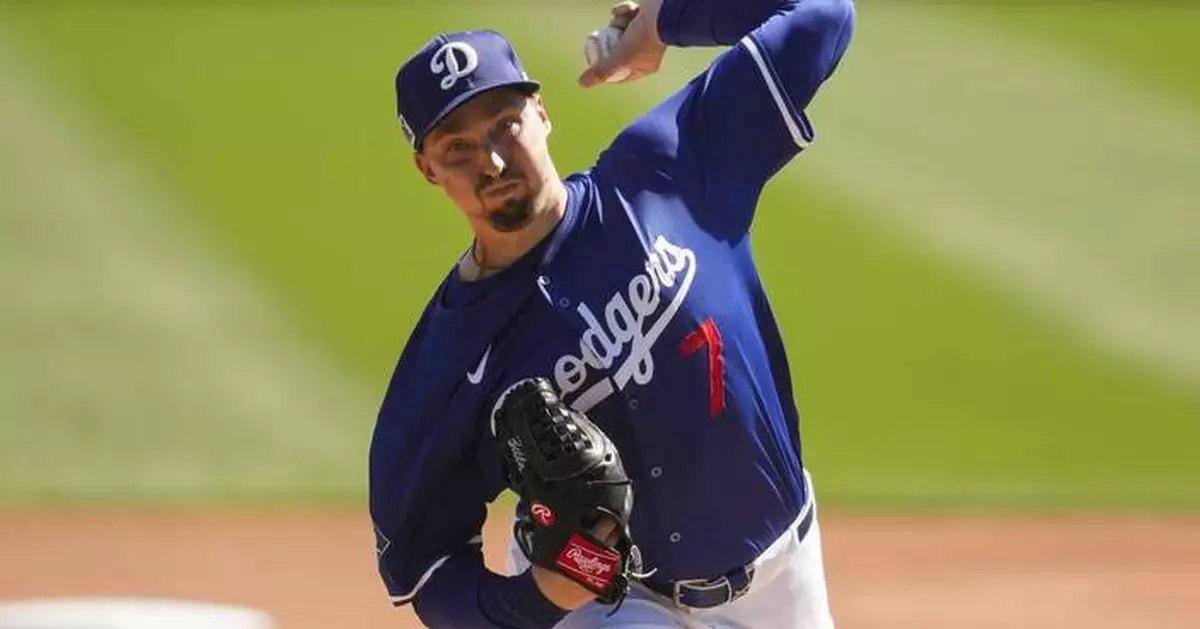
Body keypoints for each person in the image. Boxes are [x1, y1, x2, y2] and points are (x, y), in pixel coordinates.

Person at [369, 0, 856, 627]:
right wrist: (544, 596)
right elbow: (426, 571)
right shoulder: (449, 360)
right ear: (427, 169)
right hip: (619, 604)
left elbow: (822, 13)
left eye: (504, 125)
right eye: (458, 146)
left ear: (542, 113)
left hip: (785, 575)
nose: (491, 161)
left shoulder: (668, 168)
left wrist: (665, 23)